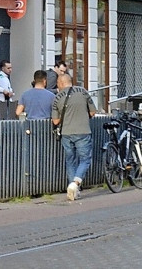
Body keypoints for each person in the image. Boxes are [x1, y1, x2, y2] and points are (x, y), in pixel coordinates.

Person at [51, 73, 97, 201]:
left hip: (66, 133)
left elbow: (55, 121)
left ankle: (73, 190)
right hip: (83, 131)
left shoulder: (56, 98)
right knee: (85, 160)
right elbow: (93, 112)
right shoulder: (83, 92)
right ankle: (75, 184)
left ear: (60, 83)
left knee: (70, 160)